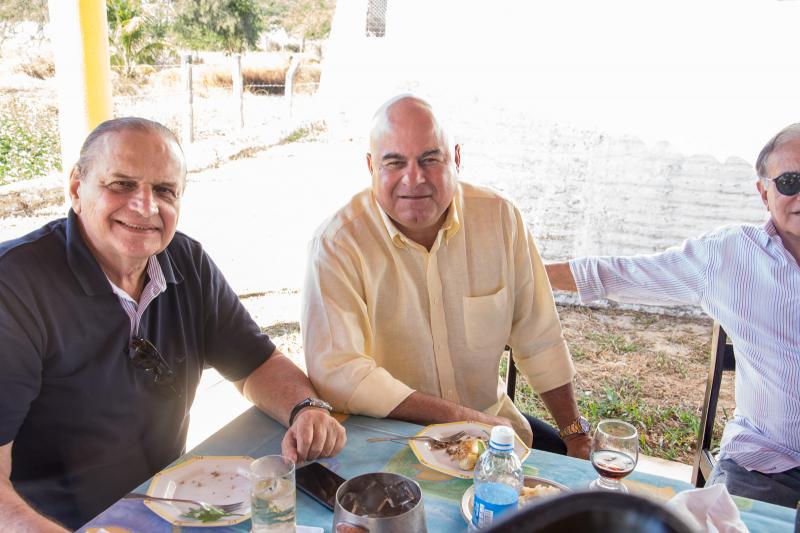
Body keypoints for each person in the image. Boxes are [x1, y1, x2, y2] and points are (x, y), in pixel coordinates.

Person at [0, 117, 347, 531]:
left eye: (164, 190)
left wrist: (305, 409)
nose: (145, 206)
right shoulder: (14, 286)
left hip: (173, 508)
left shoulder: (186, 261)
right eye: (121, 184)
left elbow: (256, 364)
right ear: (76, 188)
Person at [301, 95, 590, 459]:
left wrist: (575, 434)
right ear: (371, 166)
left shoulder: (501, 219)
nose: (414, 178)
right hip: (389, 443)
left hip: (492, 436)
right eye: (395, 162)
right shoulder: (337, 244)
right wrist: (462, 419)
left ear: (456, 158)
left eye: (430, 159)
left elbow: (540, 337)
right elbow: (339, 373)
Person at [545, 123, 800, 508]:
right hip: (765, 462)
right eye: (790, 182)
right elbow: (621, 273)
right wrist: (523, 273)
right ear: (764, 192)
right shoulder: (729, 256)